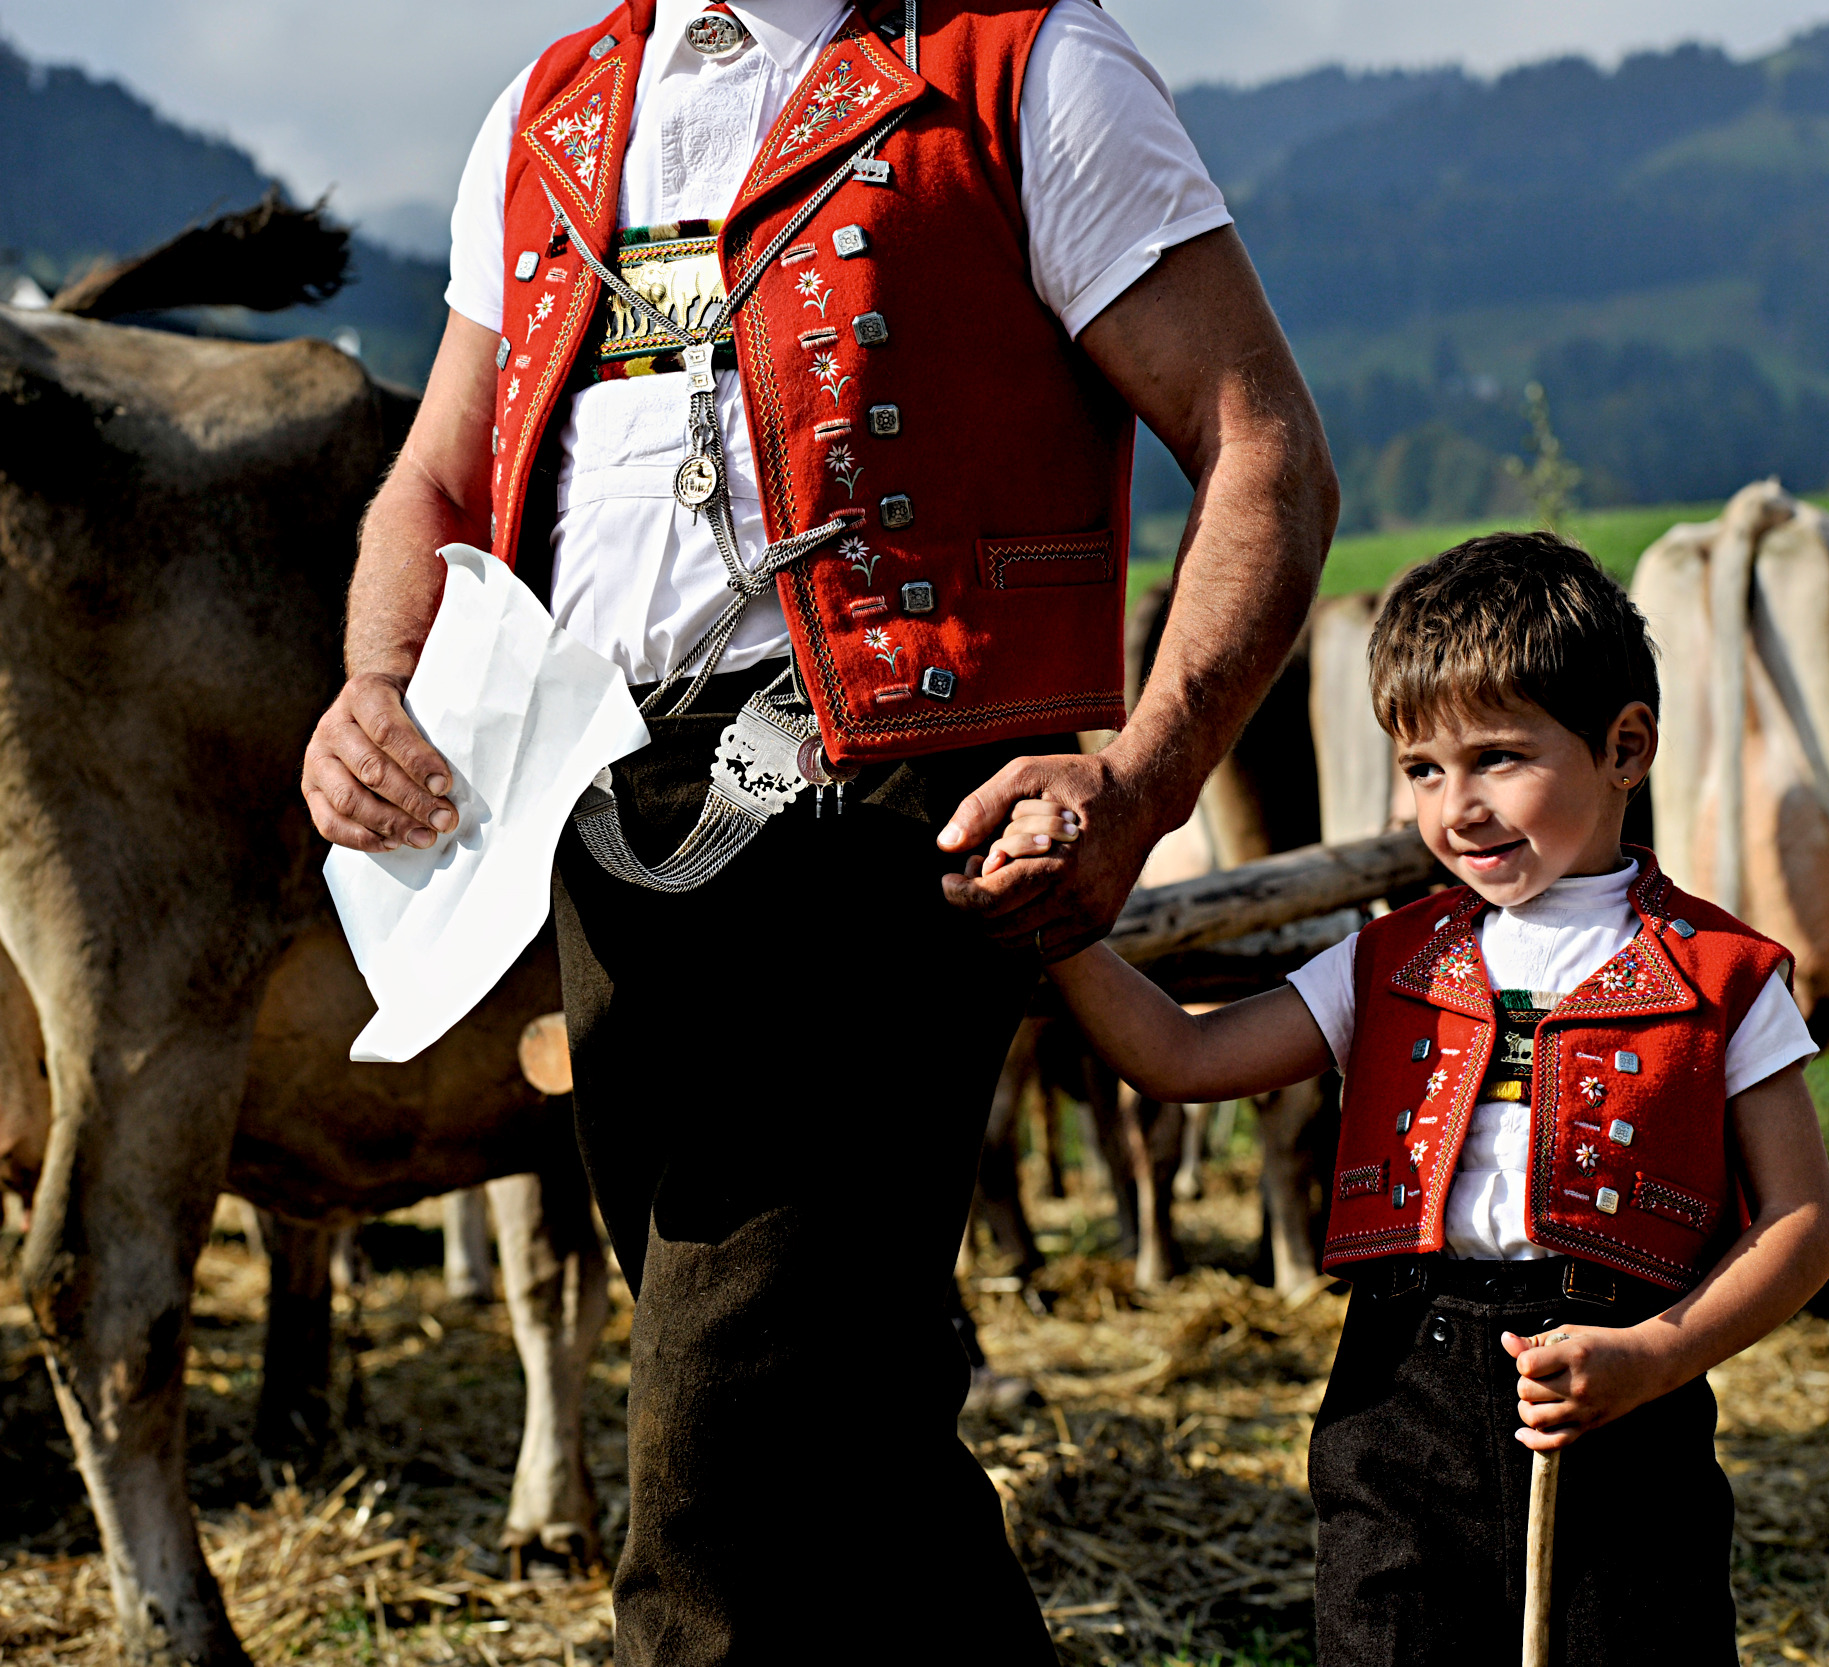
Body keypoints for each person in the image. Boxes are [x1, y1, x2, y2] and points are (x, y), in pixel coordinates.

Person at [299, 3, 1334, 1660]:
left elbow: (1261, 442)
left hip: (883, 803)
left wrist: (1143, 782)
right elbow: (441, 475)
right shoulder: (550, 107)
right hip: (608, 817)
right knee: (847, 1429)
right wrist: (371, 681)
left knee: (717, 1452)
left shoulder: (1024, 66)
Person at [1012, 533, 1829, 1665]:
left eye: (1497, 757)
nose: (1459, 807)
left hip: (1623, 1408)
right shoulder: (1386, 960)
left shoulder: (1723, 974)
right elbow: (1180, 1055)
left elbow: (1802, 1221)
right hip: (1398, 1397)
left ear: (1625, 747)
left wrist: (1657, 1354)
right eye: (1422, 769)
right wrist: (1057, 925)